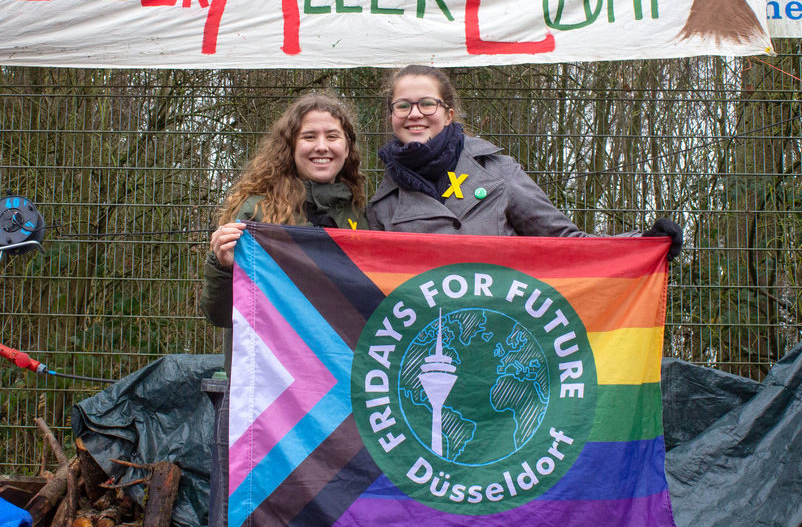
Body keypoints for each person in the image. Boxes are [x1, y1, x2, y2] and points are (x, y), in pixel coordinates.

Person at [367, 64, 682, 256]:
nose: (416, 114)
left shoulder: (498, 174)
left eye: (427, 103)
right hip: (425, 342)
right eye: (403, 106)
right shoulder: (383, 204)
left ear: (449, 115)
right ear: (392, 116)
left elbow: (567, 244)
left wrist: (644, 243)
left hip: (501, 337)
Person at [203, 91, 368, 357]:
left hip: (340, 373)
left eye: (333, 136)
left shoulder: (361, 216)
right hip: (274, 378)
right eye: (309, 136)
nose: (322, 146)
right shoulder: (256, 211)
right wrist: (222, 267)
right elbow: (220, 315)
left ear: (347, 148)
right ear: (290, 146)